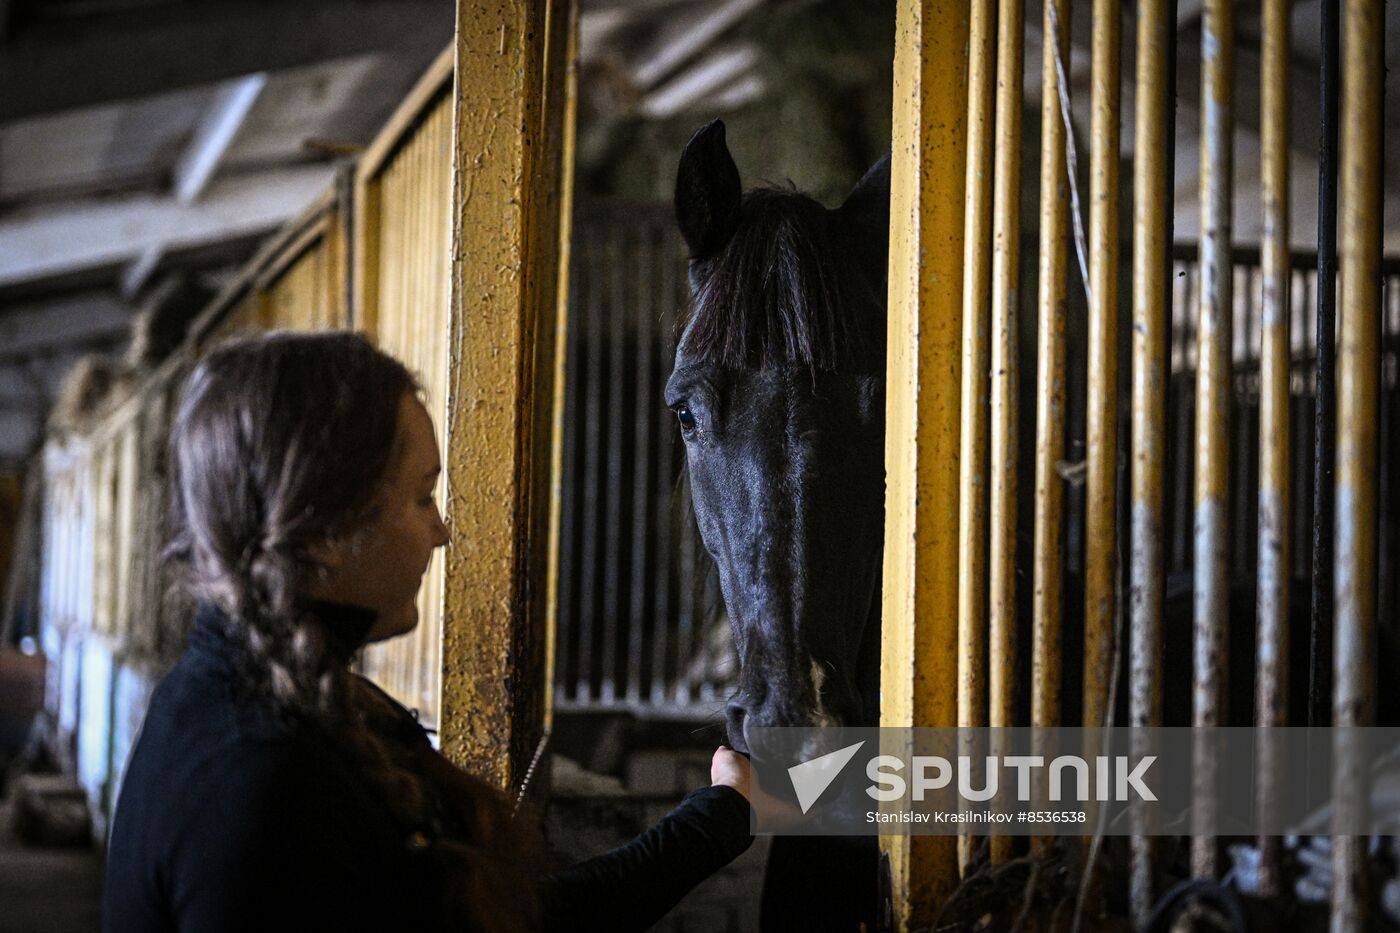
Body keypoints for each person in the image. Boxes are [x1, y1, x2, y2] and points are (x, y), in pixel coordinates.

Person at [103, 331, 756, 932]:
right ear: (326, 530)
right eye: (421, 496)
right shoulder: (261, 785)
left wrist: (721, 814)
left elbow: (512, 918)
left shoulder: (272, 706)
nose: (442, 529)